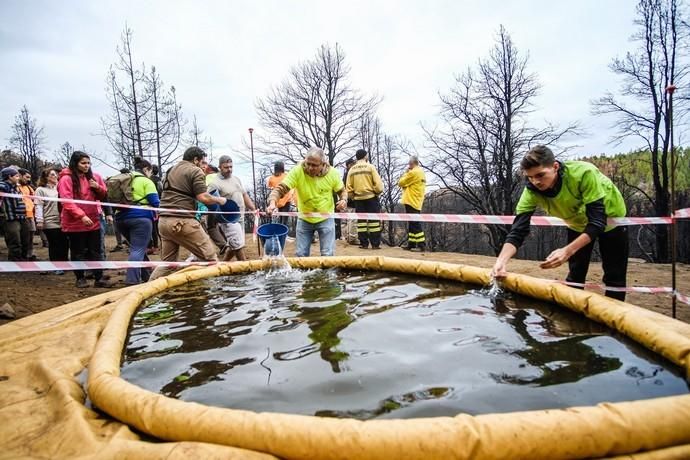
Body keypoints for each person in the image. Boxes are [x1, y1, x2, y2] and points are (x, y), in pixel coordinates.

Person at [491, 145, 629, 301]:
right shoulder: (531, 191)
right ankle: (571, 320)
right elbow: (518, 231)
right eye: (530, 177)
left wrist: (567, 251)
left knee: (614, 276)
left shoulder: (584, 173)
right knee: (576, 274)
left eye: (540, 175)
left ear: (555, 166)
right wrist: (501, 262)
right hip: (576, 223)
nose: (535, 181)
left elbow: (597, 222)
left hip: (611, 219)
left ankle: (612, 320)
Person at [149, 146, 228, 280]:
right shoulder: (195, 170)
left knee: (168, 264)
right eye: (203, 162)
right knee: (211, 259)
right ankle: (213, 296)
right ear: (195, 159)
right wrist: (221, 200)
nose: (204, 166)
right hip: (183, 221)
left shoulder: (170, 170)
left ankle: (148, 291)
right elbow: (203, 197)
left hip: (163, 222)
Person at [267, 147, 347, 257]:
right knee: (301, 254)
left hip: (326, 217)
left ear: (323, 164)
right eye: (308, 163)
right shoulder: (297, 171)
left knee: (327, 254)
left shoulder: (332, 173)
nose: (310, 168)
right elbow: (280, 189)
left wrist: (343, 200)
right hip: (304, 218)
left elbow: (342, 191)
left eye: (314, 165)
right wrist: (272, 203)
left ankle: (328, 274)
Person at [57, 151, 114, 288]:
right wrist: (81, 215)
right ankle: (80, 278)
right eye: (83, 163)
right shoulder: (66, 179)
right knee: (78, 251)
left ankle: (98, 278)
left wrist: (98, 187)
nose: (86, 166)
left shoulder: (95, 177)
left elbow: (105, 196)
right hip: (75, 222)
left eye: (88, 163)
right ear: (75, 163)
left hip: (93, 220)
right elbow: (66, 201)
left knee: (96, 250)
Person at [114, 157, 160, 285]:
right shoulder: (146, 181)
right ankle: (132, 281)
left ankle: (146, 275)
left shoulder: (124, 179)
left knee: (137, 247)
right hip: (140, 218)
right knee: (138, 250)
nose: (151, 175)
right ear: (146, 169)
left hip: (120, 219)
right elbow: (155, 202)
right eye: (150, 172)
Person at [208, 155, 257, 262]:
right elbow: (210, 201)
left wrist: (253, 208)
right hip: (228, 219)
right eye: (226, 167)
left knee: (235, 243)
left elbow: (244, 195)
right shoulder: (214, 183)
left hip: (241, 216)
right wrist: (218, 217)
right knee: (238, 244)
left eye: (231, 167)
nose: (229, 169)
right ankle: (245, 267)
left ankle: (223, 264)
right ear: (220, 167)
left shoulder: (236, 179)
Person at [346, 149, 384, 249]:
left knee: (361, 222)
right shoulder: (370, 167)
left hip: (358, 199)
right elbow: (378, 184)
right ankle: (375, 244)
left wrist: (353, 196)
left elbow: (348, 187)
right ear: (365, 156)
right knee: (374, 222)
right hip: (371, 197)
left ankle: (364, 243)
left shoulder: (352, 169)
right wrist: (376, 192)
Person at [35, 168, 68, 273]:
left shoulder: (60, 188)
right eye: (52, 175)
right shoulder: (40, 190)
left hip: (62, 220)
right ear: (46, 177)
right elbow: (38, 205)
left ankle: (65, 264)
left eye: (56, 174)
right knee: (54, 243)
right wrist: (39, 220)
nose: (55, 176)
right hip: (49, 220)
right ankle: (56, 266)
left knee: (64, 243)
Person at [398, 155, 427, 251]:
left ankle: (421, 245)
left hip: (411, 200)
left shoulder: (413, 172)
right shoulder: (421, 172)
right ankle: (412, 244)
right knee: (412, 222)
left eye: (409, 163)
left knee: (414, 223)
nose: (408, 165)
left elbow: (401, 182)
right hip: (417, 200)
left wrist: (406, 173)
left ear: (412, 163)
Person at [0, 167, 28, 261]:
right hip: (11, 218)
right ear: (9, 177)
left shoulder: (16, 187)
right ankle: (15, 260)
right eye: (16, 176)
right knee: (15, 240)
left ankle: (23, 257)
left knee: (25, 239)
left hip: (22, 217)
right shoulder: (4, 185)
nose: (18, 178)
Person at [267, 161, 294, 227]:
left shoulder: (272, 178)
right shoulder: (286, 176)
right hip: (282, 201)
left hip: (279, 201)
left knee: (281, 219)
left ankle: (281, 234)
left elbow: (270, 187)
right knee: (283, 220)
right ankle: (282, 234)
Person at [17, 169, 37, 260]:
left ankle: (30, 253)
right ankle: (21, 254)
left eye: (29, 178)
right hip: (21, 215)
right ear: (20, 176)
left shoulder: (29, 187)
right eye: (27, 177)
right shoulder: (16, 187)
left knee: (31, 236)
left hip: (31, 215)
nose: (28, 179)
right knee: (22, 237)